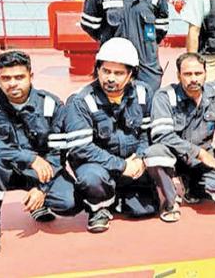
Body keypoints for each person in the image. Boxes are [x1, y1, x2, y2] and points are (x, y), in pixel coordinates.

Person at [0, 51, 78, 256]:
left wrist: (42, 189)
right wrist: (29, 158)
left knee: (69, 201)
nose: (12, 83)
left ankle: (37, 202)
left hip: (40, 171)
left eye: (19, 77)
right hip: (4, 169)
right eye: (6, 78)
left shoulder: (50, 104)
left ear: (31, 76)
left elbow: (58, 151)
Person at [63, 38, 157, 233]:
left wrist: (140, 158)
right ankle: (98, 208)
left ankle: (119, 194)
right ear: (97, 69)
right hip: (99, 164)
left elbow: (146, 133)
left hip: (132, 161)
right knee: (91, 177)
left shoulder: (143, 93)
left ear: (131, 74)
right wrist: (122, 166)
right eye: (106, 71)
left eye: (119, 73)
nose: (110, 78)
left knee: (146, 210)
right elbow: (81, 148)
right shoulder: (80, 101)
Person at [145, 53, 215, 223]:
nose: (193, 79)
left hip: (200, 158)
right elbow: (162, 135)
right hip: (173, 156)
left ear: (205, 74)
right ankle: (169, 201)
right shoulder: (164, 97)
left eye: (198, 74)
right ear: (178, 75)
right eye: (187, 74)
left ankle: (192, 186)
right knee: (154, 154)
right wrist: (200, 153)